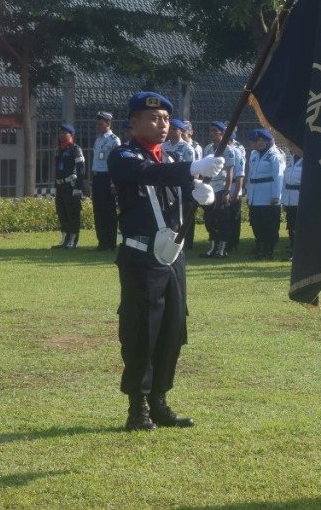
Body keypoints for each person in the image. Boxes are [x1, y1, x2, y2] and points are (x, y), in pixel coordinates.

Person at [109, 90, 224, 430]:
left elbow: (173, 195)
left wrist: (198, 194)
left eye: (165, 119)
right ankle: (138, 408)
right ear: (134, 123)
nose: (162, 125)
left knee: (173, 329)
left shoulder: (170, 162)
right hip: (141, 257)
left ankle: (160, 399)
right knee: (142, 330)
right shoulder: (123, 156)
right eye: (153, 119)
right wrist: (192, 168)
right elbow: (147, 175)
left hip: (172, 258)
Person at [199, 121, 239, 259]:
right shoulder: (208, 148)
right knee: (209, 218)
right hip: (210, 187)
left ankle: (222, 249)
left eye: (215, 131)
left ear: (222, 133)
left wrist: (227, 191)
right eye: (210, 131)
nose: (211, 133)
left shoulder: (228, 150)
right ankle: (212, 247)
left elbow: (230, 172)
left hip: (221, 187)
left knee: (222, 218)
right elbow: (204, 169)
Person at [245, 128, 285, 260]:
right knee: (257, 224)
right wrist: (249, 194)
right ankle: (260, 246)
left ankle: (268, 249)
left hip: (268, 196)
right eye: (257, 141)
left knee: (270, 225)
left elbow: (278, 177)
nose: (258, 144)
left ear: (267, 142)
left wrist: (276, 196)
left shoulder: (275, 156)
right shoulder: (254, 154)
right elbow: (250, 176)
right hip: (256, 196)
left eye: (261, 141)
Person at [91, 111, 122, 251]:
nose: (97, 126)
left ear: (108, 124)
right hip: (97, 177)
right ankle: (102, 242)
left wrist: (113, 183)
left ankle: (110, 242)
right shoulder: (98, 139)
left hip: (107, 177)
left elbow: (115, 164)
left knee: (108, 212)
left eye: (100, 123)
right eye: (97, 123)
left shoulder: (114, 140)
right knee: (98, 211)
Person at [52, 124, 87, 249]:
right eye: (60, 133)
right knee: (62, 212)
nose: (61, 135)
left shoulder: (75, 149)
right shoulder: (59, 149)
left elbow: (81, 169)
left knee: (72, 212)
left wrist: (78, 187)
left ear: (71, 135)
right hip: (60, 186)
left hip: (71, 185)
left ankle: (73, 240)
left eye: (64, 133)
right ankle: (64, 239)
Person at [164, 120, 197, 249]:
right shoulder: (164, 146)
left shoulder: (187, 148)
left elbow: (191, 169)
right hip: (168, 185)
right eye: (170, 128)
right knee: (170, 214)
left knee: (186, 215)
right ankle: (171, 240)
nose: (171, 131)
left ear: (181, 131)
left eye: (174, 129)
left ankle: (187, 243)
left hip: (183, 185)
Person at [281, 153, 302, 260]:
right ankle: (293, 249)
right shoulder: (292, 159)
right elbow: (285, 181)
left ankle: (298, 252)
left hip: (299, 198)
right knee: (291, 226)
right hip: (289, 198)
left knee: (299, 227)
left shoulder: (306, 159)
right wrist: (284, 201)